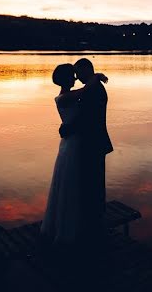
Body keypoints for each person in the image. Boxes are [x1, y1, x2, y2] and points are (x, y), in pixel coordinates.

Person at [40, 62, 109, 247]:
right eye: (73, 75)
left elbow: (86, 95)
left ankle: (81, 222)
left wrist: (96, 77)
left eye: (77, 73)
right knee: (72, 184)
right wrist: (96, 76)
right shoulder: (64, 97)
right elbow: (85, 92)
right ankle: (72, 225)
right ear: (66, 79)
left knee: (74, 184)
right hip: (73, 145)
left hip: (77, 142)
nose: (76, 77)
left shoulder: (73, 94)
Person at [60, 57, 113, 245]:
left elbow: (88, 119)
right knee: (92, 180)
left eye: (78, 72)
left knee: (94, 180)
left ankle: (95, 220)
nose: (76, 76)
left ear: (86, 70)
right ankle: (93, 217)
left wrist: (68, 128)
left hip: (93, 141)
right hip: (92, 141)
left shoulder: (94, 90)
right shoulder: (93, 88)